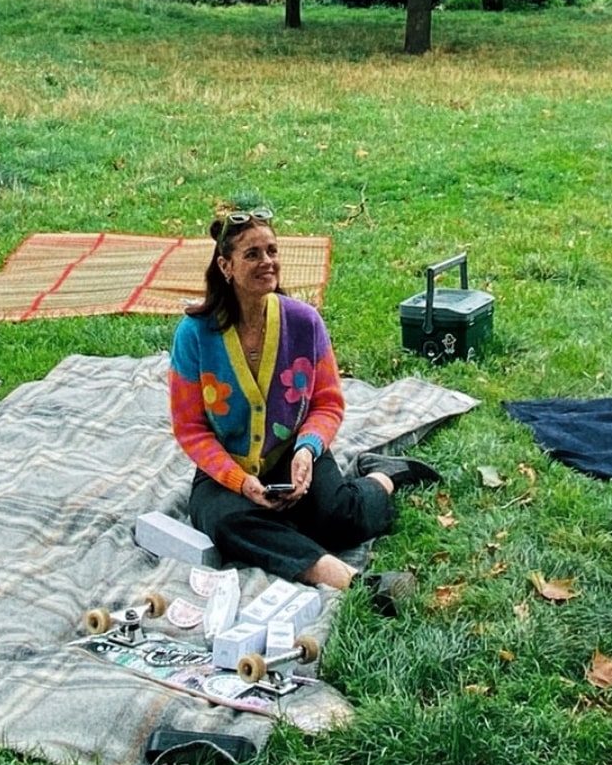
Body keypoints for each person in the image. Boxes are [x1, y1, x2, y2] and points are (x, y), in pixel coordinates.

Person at [168, 205, 440, 602]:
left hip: (295, 454)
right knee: (228, 524)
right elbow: (190, 428)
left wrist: (307, 451)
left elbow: (328, 403)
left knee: (340, 519)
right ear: (226, 266)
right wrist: (241, 482)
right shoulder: (194, 335)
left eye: (272, 251)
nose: (268, 262)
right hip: (225, 471)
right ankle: (350, 579)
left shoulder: (304, 321)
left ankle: (386, 475)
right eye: (253, 254)